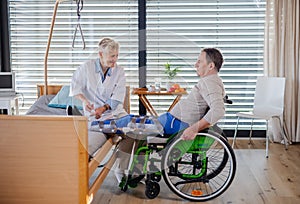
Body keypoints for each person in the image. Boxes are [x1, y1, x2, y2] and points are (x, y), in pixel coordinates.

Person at [114, 47, 226, 182]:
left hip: (172, 124)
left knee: (130, 121)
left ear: (211, 66)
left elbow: (218, 110)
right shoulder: (212, 81)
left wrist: (194, 128)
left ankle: (96, 126)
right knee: (135, 122)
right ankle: (137, 171)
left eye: (199, 61)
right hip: (170, 120)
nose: (195, 64)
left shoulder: (209, 83)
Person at [70, 37, 127, 119]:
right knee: (98, 127)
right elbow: (75, 88)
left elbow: (118, 96)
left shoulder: (119, 71)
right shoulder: (86, 67)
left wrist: (103, 108)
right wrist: (85, 101)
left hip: (115, 113)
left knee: (129, 124)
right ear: (101, 54)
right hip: (94, 113)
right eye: (112, 56)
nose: (115, 59)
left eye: (117, 55)